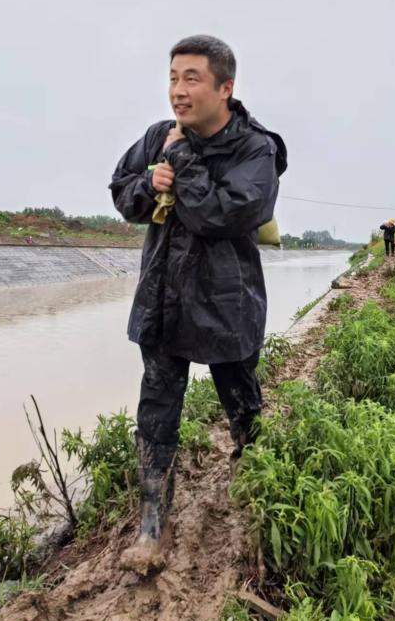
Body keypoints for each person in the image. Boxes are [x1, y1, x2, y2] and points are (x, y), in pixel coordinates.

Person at [109, 35, 287, 573]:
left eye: (192, 79)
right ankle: (151, 527)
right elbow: (122, 191)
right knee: (156, 409)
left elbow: (223, 215)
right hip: (163, 296)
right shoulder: (157, 136)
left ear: (225, 88)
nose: (178, 91)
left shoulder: (255, 149)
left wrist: (181, 161)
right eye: (173, 78)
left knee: (242, 400)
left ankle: (258, 489)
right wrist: (149, 182)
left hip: (227, 300)